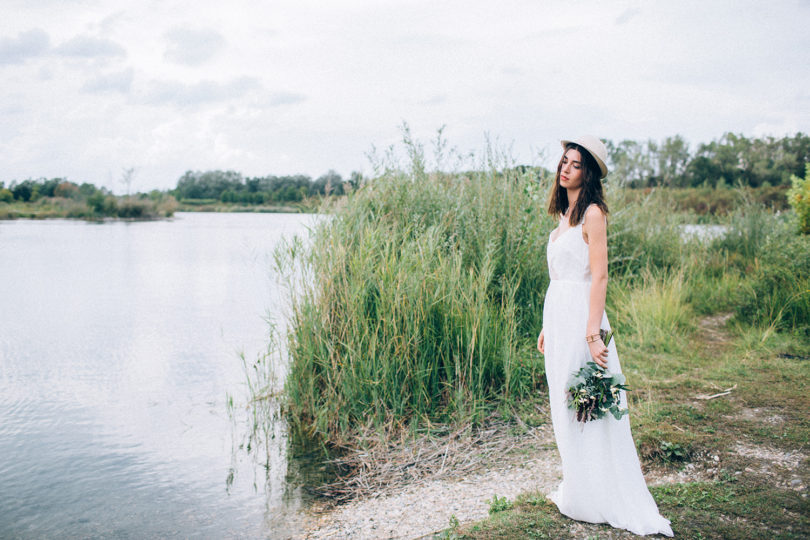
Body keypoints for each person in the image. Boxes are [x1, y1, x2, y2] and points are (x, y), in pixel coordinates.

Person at [536, 135, 674, 537]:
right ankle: (580, 488)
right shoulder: (564, 216)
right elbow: (561, 277)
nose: (565, 168)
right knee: (565, 404)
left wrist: (593, 334)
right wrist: (548, 325)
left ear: (588, 172)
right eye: (564, 161)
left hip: (583, 319)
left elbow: (599, 276)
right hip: (559, 318)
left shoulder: (593, 213)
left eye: (575, 164)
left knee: (588, 405)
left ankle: (602, 495)